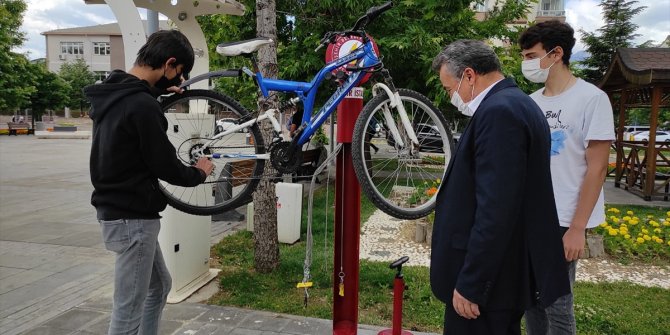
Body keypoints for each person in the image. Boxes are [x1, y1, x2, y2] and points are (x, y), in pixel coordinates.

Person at [429, 40, 570, 335]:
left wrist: (472, 283)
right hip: (502, 276)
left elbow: (496, 209)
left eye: (448, 88)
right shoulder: (519, 103)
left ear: (469, 75)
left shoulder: (499, 113)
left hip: (487, 287)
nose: (450, 96)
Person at [83, 30, 214, 335]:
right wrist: (199, 172)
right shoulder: (141, 106)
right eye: (177, 73)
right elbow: (165, 165)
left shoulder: (115, 92)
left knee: (160, 286)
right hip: (133, 220)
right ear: (169, 63)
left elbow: (135, 105)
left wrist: (159, 93)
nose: (178, 81)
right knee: (127, 311)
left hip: (122, 213)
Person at [518, 21, 615, 335]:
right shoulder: (530, 103)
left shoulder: (591, 99)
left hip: (564, 219)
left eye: (531, 55)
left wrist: (577, 228)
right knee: (531, 301)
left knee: (557, 305)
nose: (526, 63)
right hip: (530, 217)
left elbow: (597, 168)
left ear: (556, 53)